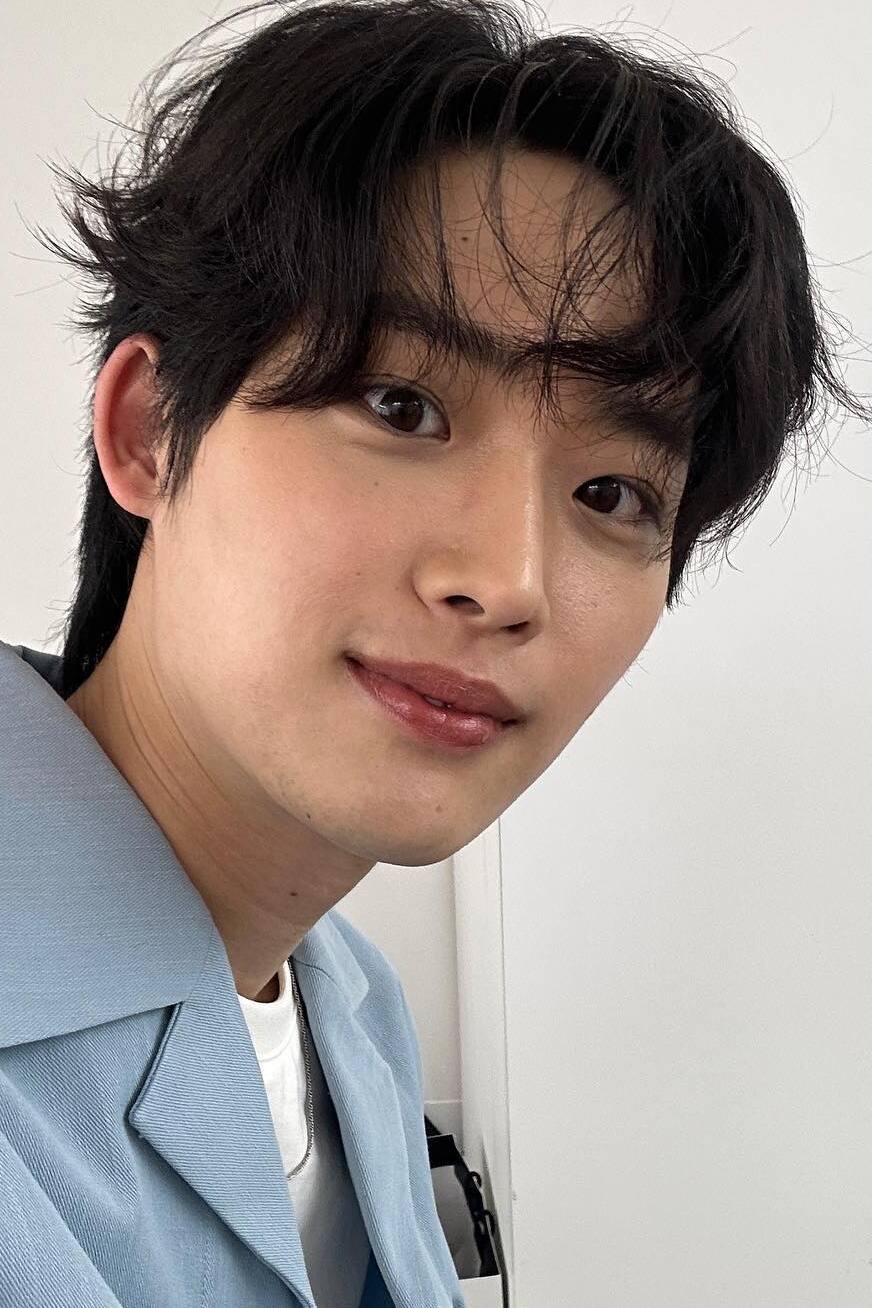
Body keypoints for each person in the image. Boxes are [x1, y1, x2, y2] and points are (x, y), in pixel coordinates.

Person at [1, 1, 868, 1305]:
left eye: (614, 494)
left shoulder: (352, 1007)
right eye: (400, 406)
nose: (508, 582)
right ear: (148, 432)